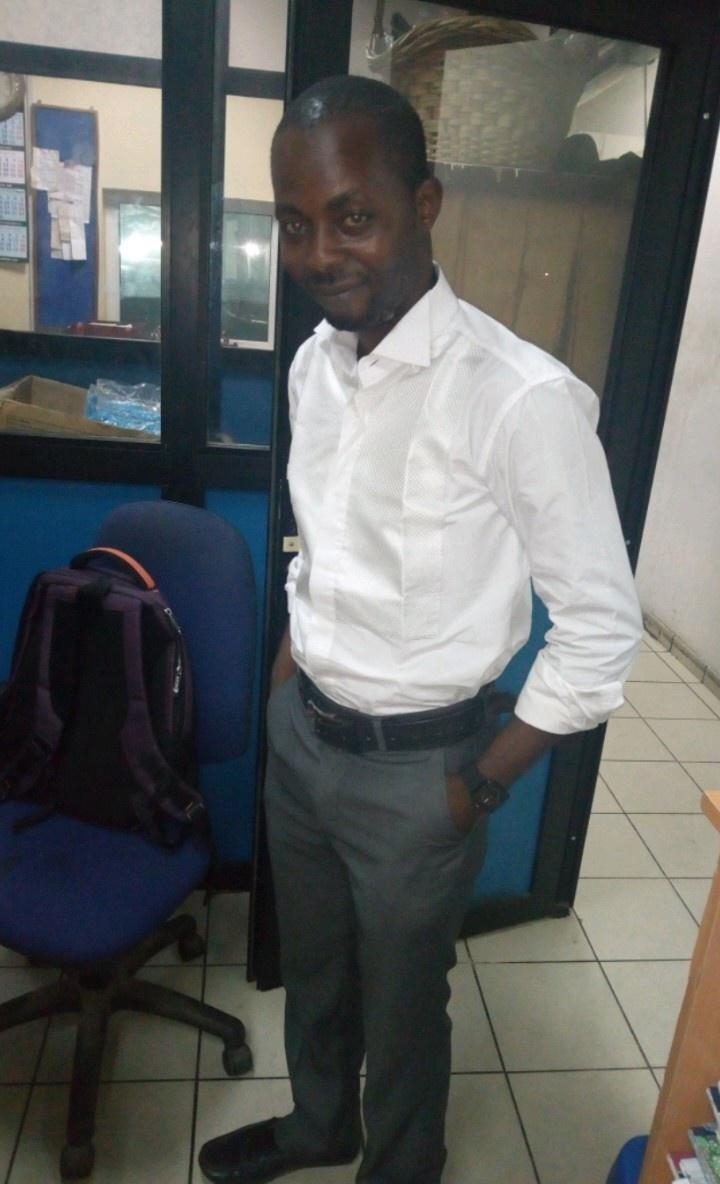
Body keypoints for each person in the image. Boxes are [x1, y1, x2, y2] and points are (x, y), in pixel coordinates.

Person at [199, 75, 643, 1184]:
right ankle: (319, 1125)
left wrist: (479, 783)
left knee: (403, 1004)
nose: (318, 253)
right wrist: (292, 669)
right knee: (314, 968)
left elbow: (600, 630)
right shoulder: (314, 366)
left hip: (425, 774)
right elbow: (324, 542)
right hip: (304, 737)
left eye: (352, 216)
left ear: (425, 203)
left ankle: (400, 1166)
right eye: (294, 223)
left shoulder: (519, 398)